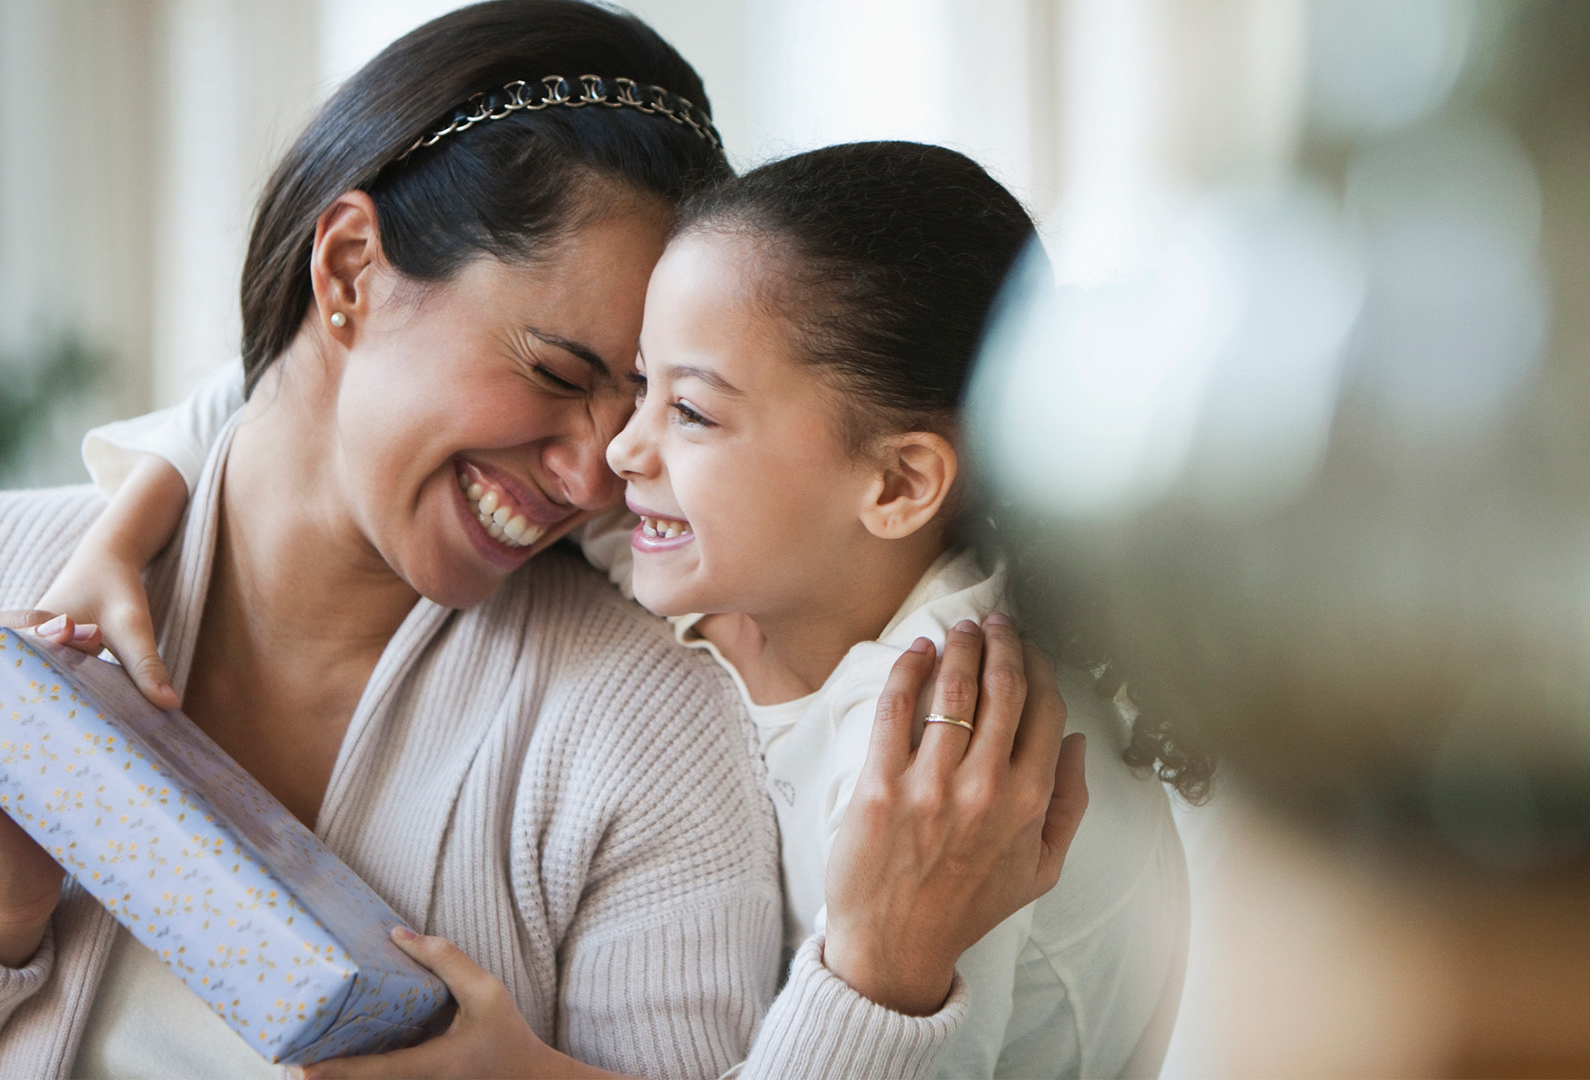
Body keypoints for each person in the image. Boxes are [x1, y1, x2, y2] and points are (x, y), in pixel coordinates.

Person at [0, 4, 1084, 1078]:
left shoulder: (645, 726)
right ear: (350, 272)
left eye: (659, 395)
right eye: (558, 370)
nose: (605, 465)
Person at [61, 143, 1192, 1078]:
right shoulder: (709, 539)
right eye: (630, 382)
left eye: (688, 409)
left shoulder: (950, 758)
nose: (615, 449)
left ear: (895, 485)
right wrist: (125, 526)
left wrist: (520, 1072)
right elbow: (296, 397)